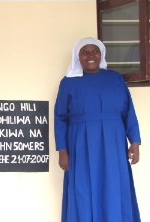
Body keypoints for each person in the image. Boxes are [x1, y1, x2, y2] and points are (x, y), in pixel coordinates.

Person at [54, 37, 141, 222]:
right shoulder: (68, 82)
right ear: (78, 57)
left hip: (113, 144)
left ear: (101, 55)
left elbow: (128, 112)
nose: (91, 55)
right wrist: (62, 150)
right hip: (80, 145)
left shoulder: (115, 79)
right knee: (83, 189)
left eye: (95, 51)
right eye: (85, 52)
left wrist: (134, 141)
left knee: (113, 185)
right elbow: (60, 117)